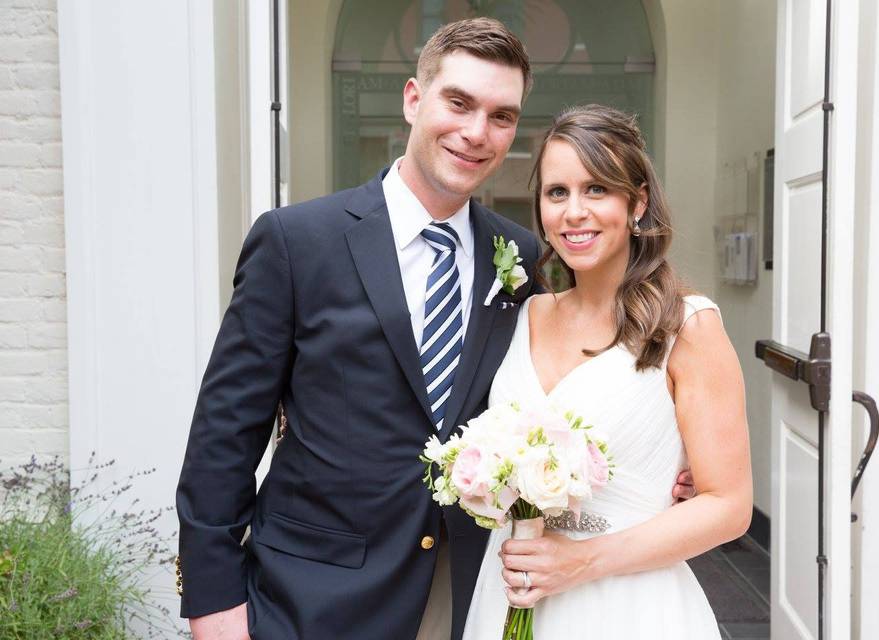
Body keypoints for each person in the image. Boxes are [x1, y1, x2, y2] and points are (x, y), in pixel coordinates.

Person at [176, 19, 695, 640]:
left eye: (502, 116)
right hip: (312, 598)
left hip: (467, 591)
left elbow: (552, 397)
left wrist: (667, 469)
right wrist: (214, 606)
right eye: (459, 102)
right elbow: (222, 438)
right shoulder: (297, 242)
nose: (477, 133)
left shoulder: (523, 257)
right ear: (413, 100)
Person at [461, 105, 753, 639]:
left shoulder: (688, 327)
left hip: (629, 605)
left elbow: (729, 506)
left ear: (637, 203)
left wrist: (581, 561)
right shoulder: (522, 315)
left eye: (597, 190)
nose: (574, 212)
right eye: (557, 192)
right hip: (508, 595)